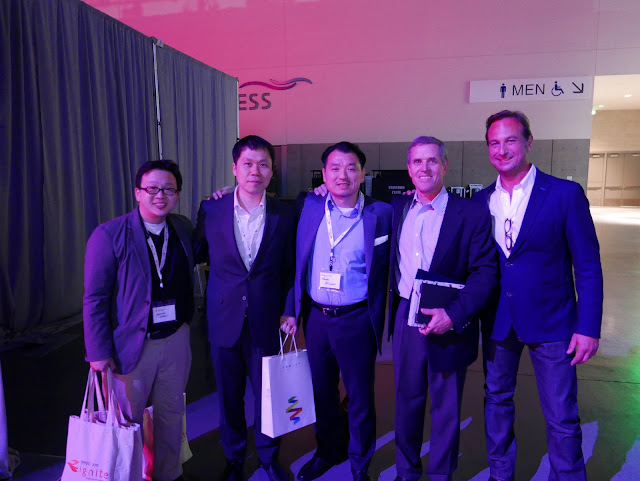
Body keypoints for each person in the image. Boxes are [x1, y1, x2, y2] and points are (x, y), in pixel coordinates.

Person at [475, 110, 603, 481]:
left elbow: (588, 265)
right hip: (499, 321)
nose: (502, 150)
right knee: (496, 402)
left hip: (554, 322)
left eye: (510, 140)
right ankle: (501, 474)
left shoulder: (564, 194)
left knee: (562, 415)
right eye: (494, 143)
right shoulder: (481, 201)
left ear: (529, 142)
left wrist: (588, 327)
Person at [389, 137, 498, 481]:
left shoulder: (471, 213)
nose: (425, 168)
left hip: (450, 321)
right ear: (409, 169)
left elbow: (485, 272)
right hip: (406, 318)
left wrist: (454, 315)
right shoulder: (397, 209)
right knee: (407, 401)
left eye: (432, 161)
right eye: (417, 162)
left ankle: (440, 474)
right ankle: (406, 471)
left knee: (446, 408)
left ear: (445, 166)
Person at [192, 135, 295, 481]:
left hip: (267, 320)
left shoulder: (285, 214)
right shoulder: (212, 209)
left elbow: (291, 268)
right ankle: (234, 459)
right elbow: (197, 252)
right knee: (229, 397)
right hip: (224, 320)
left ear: (272, 171)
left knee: (269, 395)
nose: (256, 171)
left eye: (264, 164)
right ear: (235, 168)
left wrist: (289, 309)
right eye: (248, 164)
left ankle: (268, 458)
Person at [83, 159, 194, 481]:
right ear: (137, 193)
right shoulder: (109, 234)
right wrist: (98, 352)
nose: (161, 196)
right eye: (152, 189)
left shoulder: (182, 228)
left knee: (171, 416)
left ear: (177, 194)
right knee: (126, 421)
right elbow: (95, 298)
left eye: (169, 189)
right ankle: (126, 475)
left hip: (175, 339)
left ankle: (168, 473)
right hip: (131, 344)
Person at [291, 142, 392, 481]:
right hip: (317, 319)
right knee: (322, 392)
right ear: (324, 174)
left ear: (363, 174)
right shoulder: (309, 205)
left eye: (351, 168)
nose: (342, 175)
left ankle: (360, 462)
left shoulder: (382, 213)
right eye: (334, 168)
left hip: (357, 319)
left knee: (360, 395)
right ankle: (327, 450)